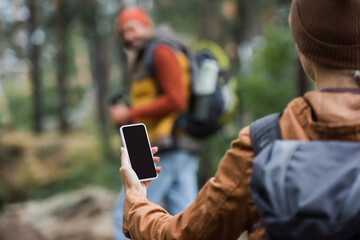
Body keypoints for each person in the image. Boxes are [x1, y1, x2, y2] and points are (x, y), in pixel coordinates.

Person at [118, 0, 360, 239]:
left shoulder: (264, 143)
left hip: (171, 141)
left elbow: (185, 235)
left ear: (303, 47)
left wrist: (136, 201)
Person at [110, 7, 201, 240]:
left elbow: (176, 99)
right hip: (172, 145)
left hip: (164, 145)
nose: (127, 36)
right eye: (123, 33)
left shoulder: (160, 50)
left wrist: (129, 112)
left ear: (147, 26)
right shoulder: (145, 57)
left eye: (131, 28)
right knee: (183, 220)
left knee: (124, 215)